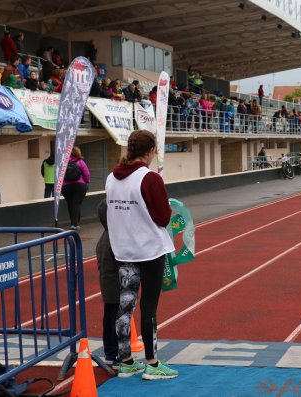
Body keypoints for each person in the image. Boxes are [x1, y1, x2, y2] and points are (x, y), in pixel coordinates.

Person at [105, 129, 178, 380]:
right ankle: (153, 364)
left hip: (123, 250)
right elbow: (163, 217)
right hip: (148, 250)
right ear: (149, 151)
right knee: (148, 307)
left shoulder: (110, 179)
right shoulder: (149, 179)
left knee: (125, 305)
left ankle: (125, 361)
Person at [96, 199, 120, 368]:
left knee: (110, 317)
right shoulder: (114, 237)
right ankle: (113, 353)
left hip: (109, 283)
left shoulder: (106, 235)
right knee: (114, 319)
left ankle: (111, 352)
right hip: (114, 284)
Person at [62, 147, 90, 230]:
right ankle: (75, 223)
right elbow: (87, 174)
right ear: (78, 153)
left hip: (66, 186)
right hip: (79, 185)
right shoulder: (80, 162)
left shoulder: (63, 163)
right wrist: (86, 181)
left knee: (70, 204)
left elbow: (59, 175)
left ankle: (73, 223)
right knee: (76, 203)